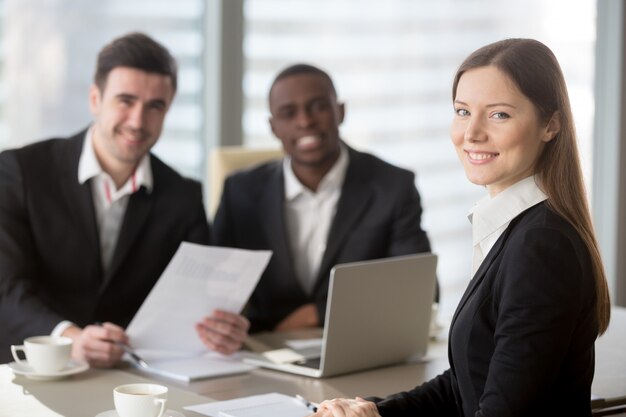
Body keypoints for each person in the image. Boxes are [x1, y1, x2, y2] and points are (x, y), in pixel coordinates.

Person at [311, 38, 611, 417]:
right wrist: (374, 411)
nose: (471, 133)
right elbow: (466, 383)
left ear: (550, 125)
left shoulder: (542, 246)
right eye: (463, 111)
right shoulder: (512, 228)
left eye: (498, 114)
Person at [0, 32, 249, 367]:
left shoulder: (183, 194)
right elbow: (5, 289)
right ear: (94, 99)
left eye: (154, 106)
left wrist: (224, 329)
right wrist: (69, 339)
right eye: (125, 101)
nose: (137, 121)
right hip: (31, 369)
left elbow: (197, 299)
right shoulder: (21, 171)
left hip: (133, 376)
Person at [213, 63, 433, 333]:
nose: (305, 121)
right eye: (288, 112)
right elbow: (213, 289)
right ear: (273, 127)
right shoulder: (240, 192)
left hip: (360, 341)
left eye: (318, 106)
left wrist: (314, 314)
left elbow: (420, 289)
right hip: (264, 350)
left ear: (340, 111)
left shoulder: (393, 186)